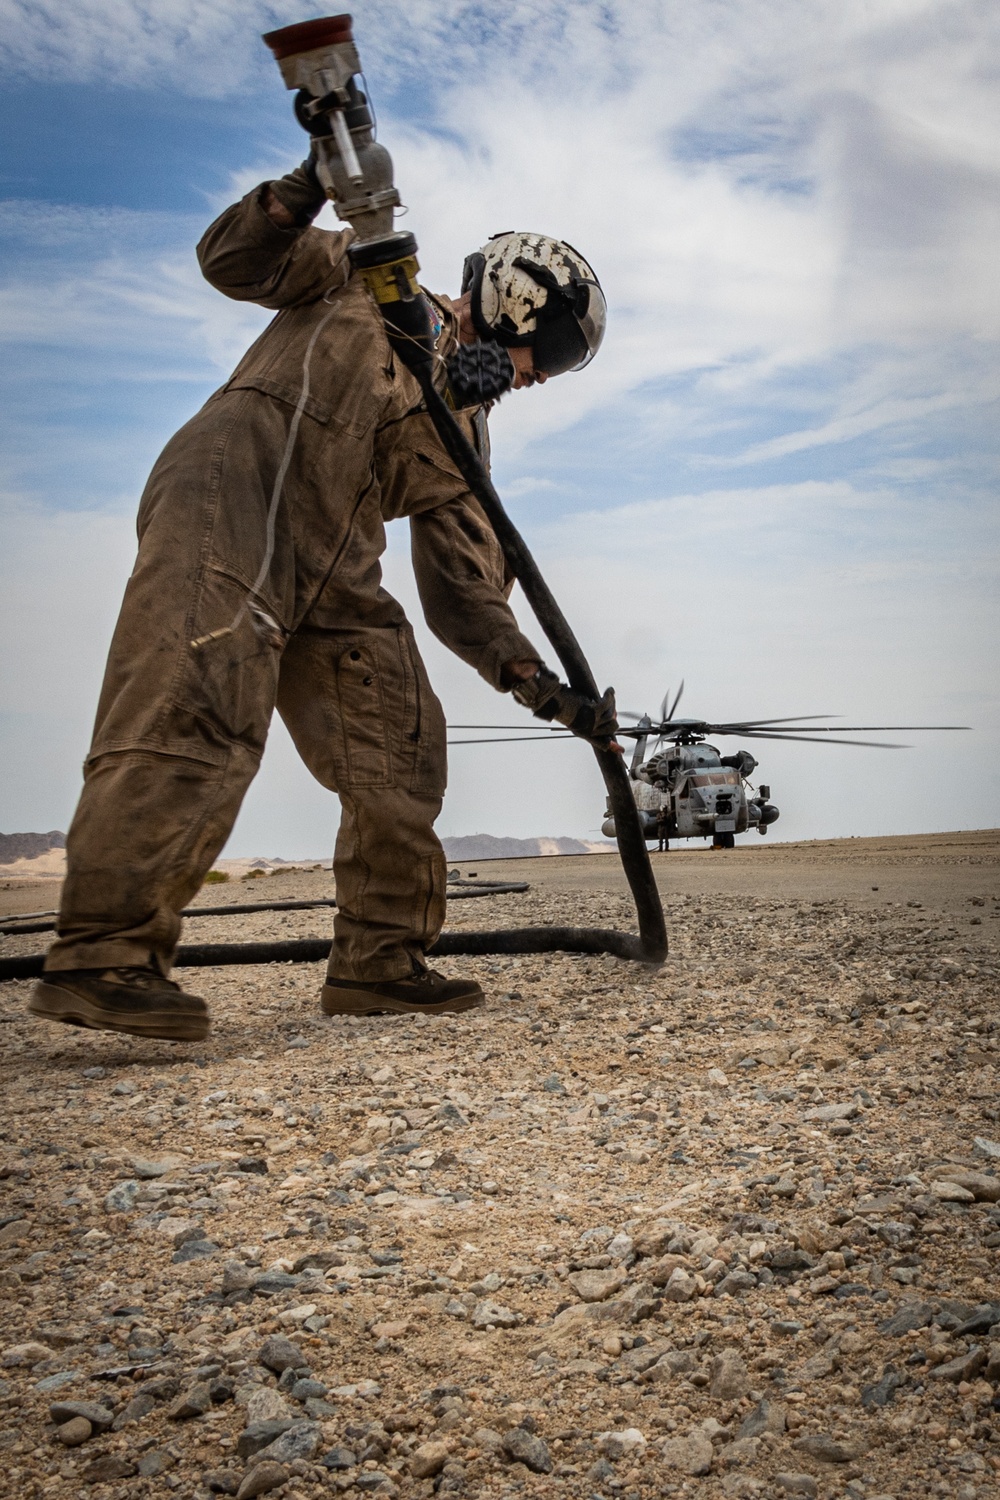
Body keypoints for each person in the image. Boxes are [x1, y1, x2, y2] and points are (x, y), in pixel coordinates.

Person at [28, 160, 611, 1043]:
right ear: (517, 301)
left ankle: (378, 962)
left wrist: (537, 685)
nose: (538, 378)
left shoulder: (468, 436)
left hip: (337, 570)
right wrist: (302, 189)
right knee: (195, 712)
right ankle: (104, 957)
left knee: (400, 737)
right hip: (236, 496)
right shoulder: (367, 276)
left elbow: (464, 591)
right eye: (549, 353)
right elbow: (234, 261)